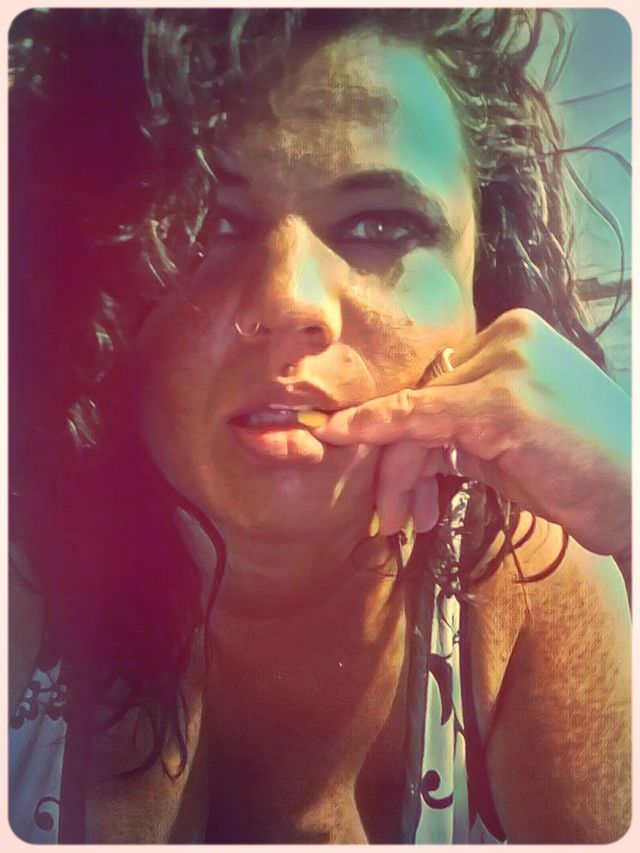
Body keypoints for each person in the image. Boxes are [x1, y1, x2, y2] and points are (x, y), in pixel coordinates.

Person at [9, 7, 631, 845]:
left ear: (482, 293)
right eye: (203, 221)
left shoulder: (529, 582)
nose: (290, 299)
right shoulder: (24, 566)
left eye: (382, 224)